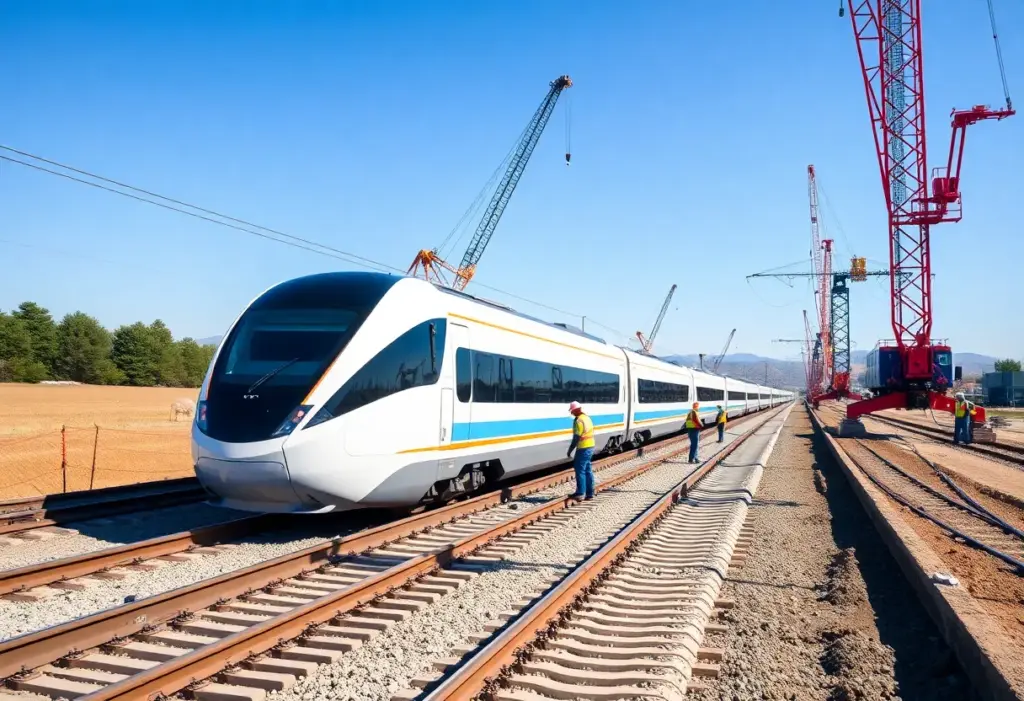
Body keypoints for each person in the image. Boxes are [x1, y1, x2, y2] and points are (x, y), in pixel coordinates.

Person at [566, 401, 595, 500]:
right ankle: (590, 493)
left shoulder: (578, 421)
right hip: (590, 446)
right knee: (587, 470)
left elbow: (576, 437)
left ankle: (580, 493)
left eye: (572, 411)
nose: (571, 413)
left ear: (575, 410)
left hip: (583, 447)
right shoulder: (586, 418)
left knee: (580, 469)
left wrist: (570, 450)